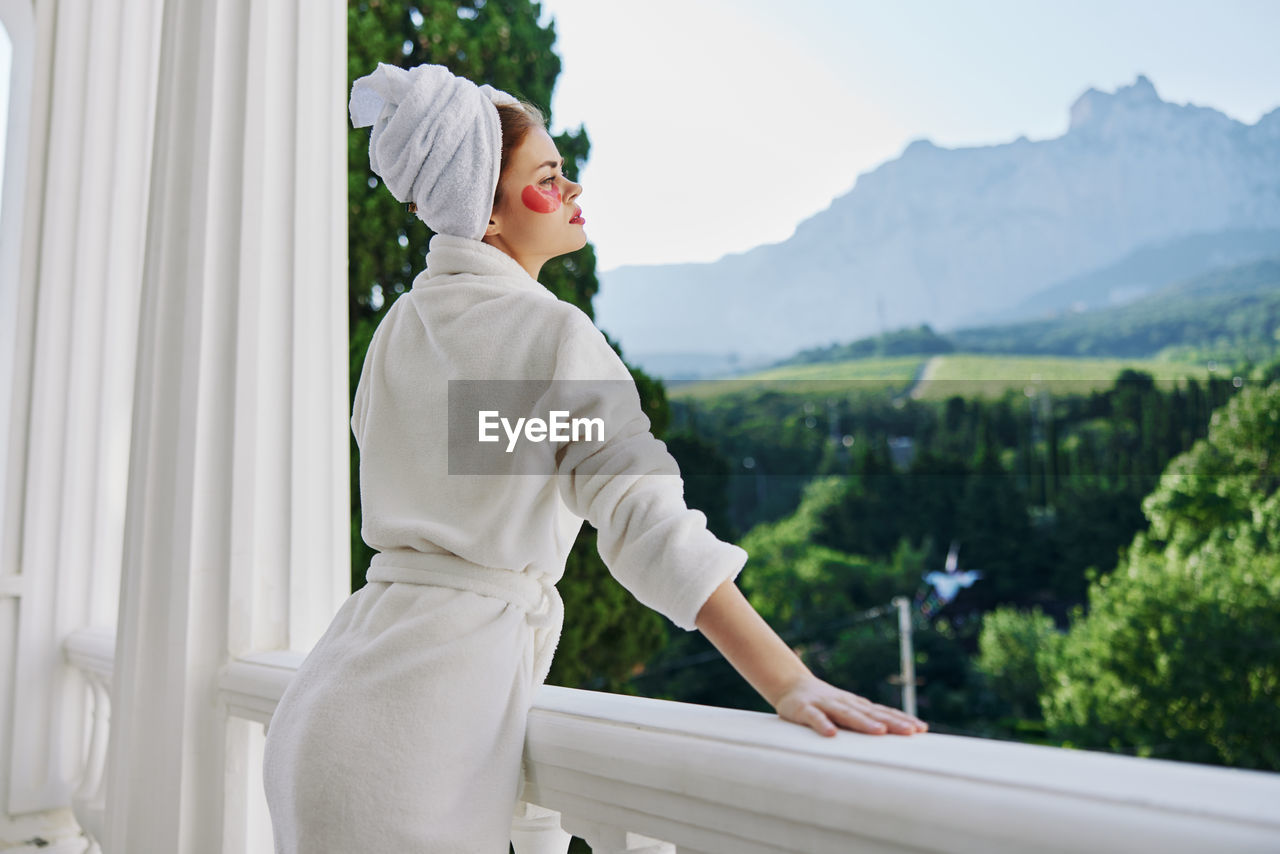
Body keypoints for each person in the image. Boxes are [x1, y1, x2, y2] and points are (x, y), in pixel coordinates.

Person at [262, 62, 926, 854]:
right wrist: (789, 680)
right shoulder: (553, 338)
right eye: (547, 177)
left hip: (332, 701)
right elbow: (648, 525)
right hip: (418, 732)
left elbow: (453, 462)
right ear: (490, 214)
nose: (572, 189)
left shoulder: (401, 329)